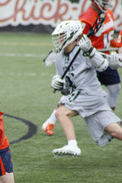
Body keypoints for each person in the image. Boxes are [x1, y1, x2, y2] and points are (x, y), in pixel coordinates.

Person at [42, 0, 122, 136]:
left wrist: (116, 44)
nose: (106, 2)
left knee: (114, 87)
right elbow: (73, 42)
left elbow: (106, 38)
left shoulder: (107, 13)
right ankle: (51, 121)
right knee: (78, 90)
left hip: (102, 56)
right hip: (89, 59)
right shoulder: (86, 19)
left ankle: (110, 121)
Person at [48, 20, 122, 156]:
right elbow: (67, 89)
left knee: (61, 112)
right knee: (114, 131)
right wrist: (59, 85)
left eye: (62, 35)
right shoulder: (59, 57)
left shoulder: (83, 50)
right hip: (90, 97)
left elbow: (103, 67)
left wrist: (91, 52)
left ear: (72, 36)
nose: (59, 39)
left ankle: (72, 145)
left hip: (89, 94)